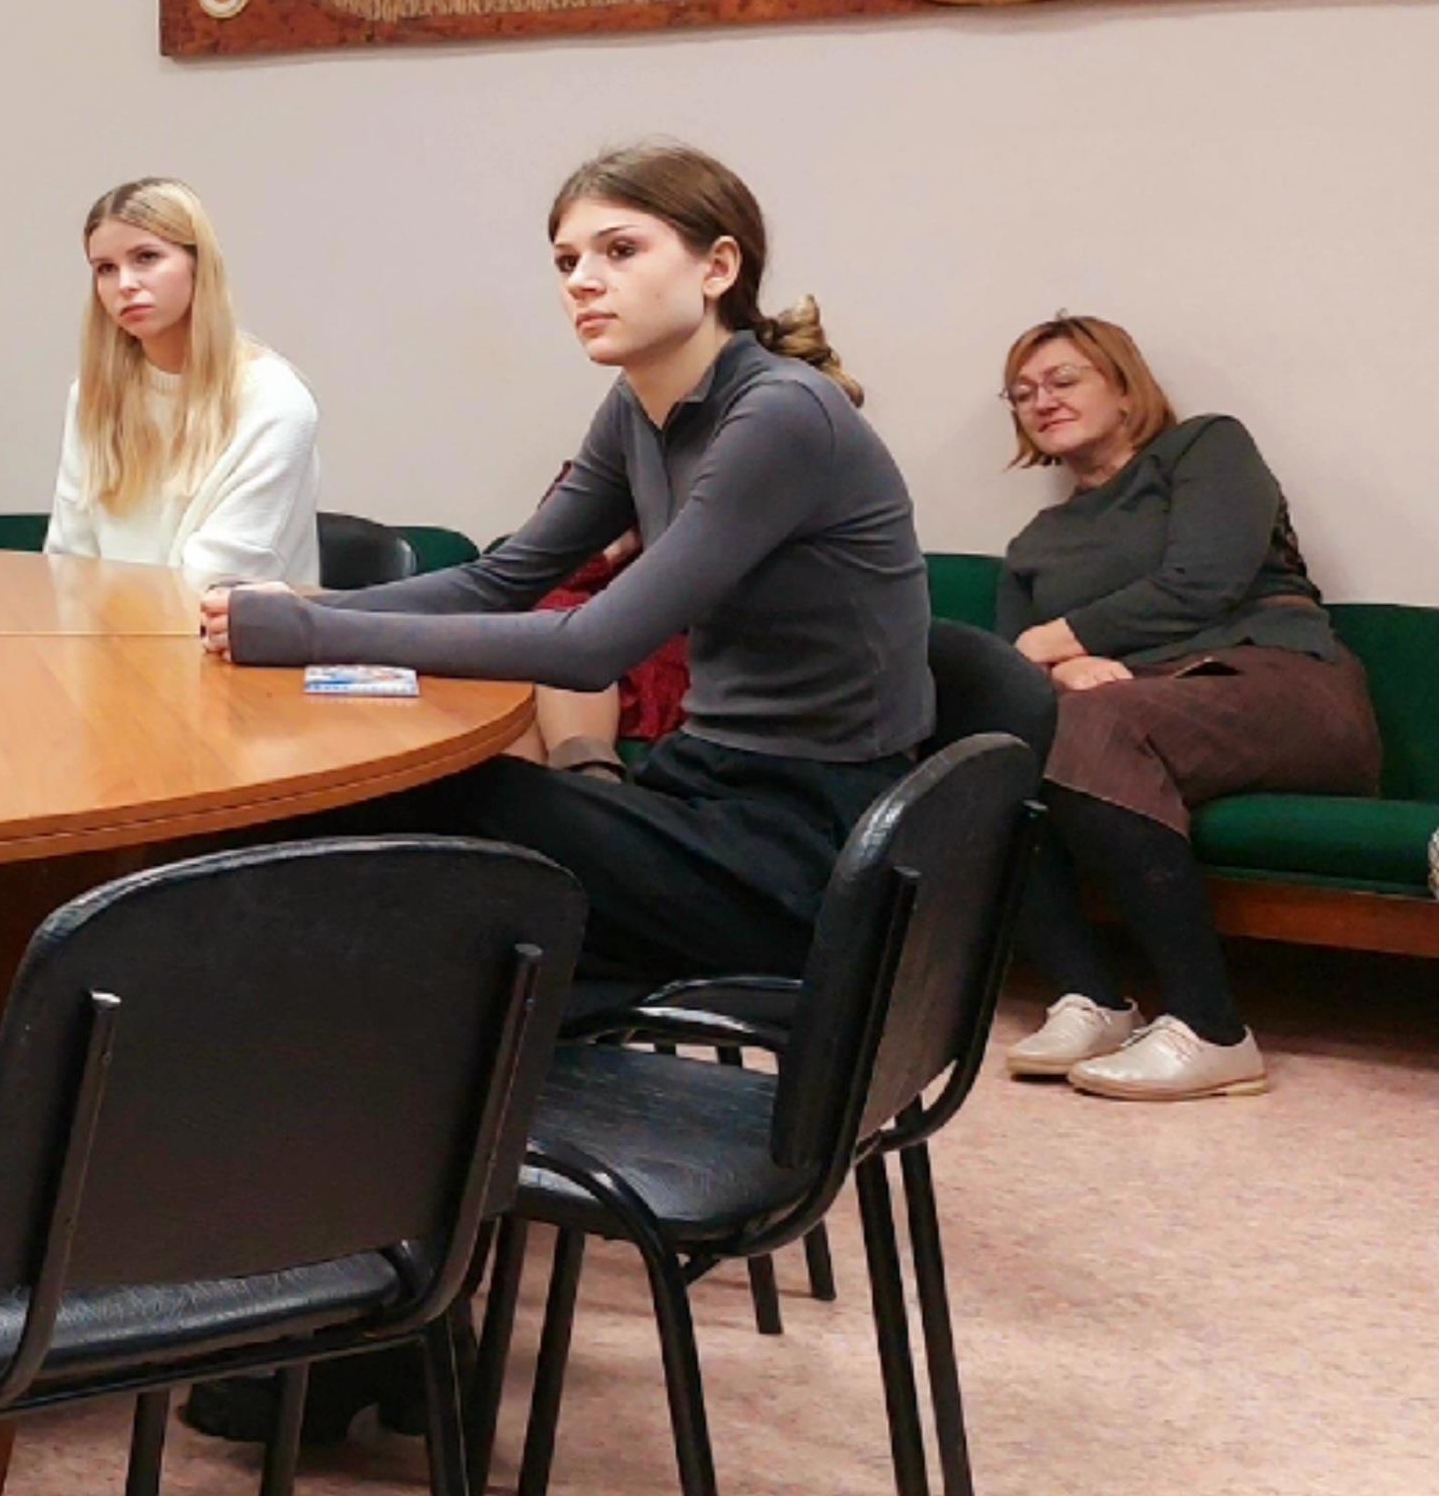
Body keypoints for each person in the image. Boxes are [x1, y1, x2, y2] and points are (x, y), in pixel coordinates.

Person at [207, 143, 930, 991]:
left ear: (717, 268)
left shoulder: (781, 413)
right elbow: (501, 578)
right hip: (710, 784)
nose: (582, 281)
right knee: (413, 841)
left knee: (420, 806)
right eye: (565, 261)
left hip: (809, 842)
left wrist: (305, 632)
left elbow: (589, 647)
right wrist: (303, 611)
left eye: (618, 250)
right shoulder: (636, 408)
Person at [990, 315, 1379, 1101]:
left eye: (1063, 380)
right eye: (1022, 393)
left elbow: (1201, 583)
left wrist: (1057, 642)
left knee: (1094, 722)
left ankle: (1211, 1029)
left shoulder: (1203, 448)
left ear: (1123, 388)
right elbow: (1011, 664)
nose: (1041, 401)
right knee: (989, 749)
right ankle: (1089, 997)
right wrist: (1064, 672)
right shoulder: (1038, 539)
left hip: (1277, 682)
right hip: (1136, 715)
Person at [42, 176, 323, 593]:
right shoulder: (92, 395)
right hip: (108, 628)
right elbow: (68, 562)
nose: (125, 284)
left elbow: (215, 582)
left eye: (146, 257)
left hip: (225, 632)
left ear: (198, 264)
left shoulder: (275, 401)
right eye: (105, 269)